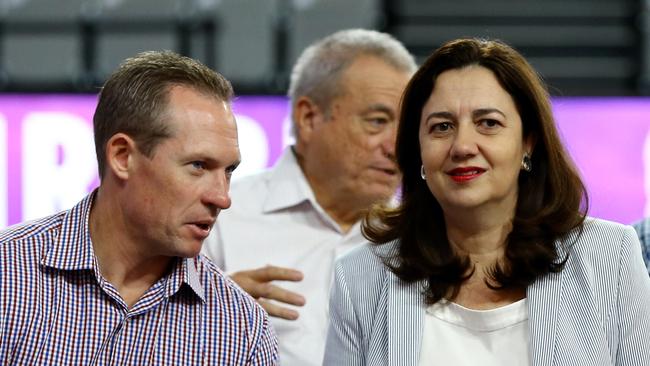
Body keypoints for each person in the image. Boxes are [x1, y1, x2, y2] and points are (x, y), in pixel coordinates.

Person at [324, 38, 650, 365]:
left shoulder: (611, 254)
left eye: (488, 123)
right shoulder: (359, 277)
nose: (463, 145)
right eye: (442, 127)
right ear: (418, 149)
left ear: (528, 142)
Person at [0, 51, 278, 364]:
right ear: (122, 156)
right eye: (198, 165)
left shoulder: (241, 330)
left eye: (228, 171)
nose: (222, 197)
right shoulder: (7, 275)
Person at [202, 29, 416, 365]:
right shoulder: (217, 218)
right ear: (309, 117)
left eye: (406, 130)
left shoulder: (421, 240)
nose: (395, 148)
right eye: (377, 122)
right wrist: (203, 317)